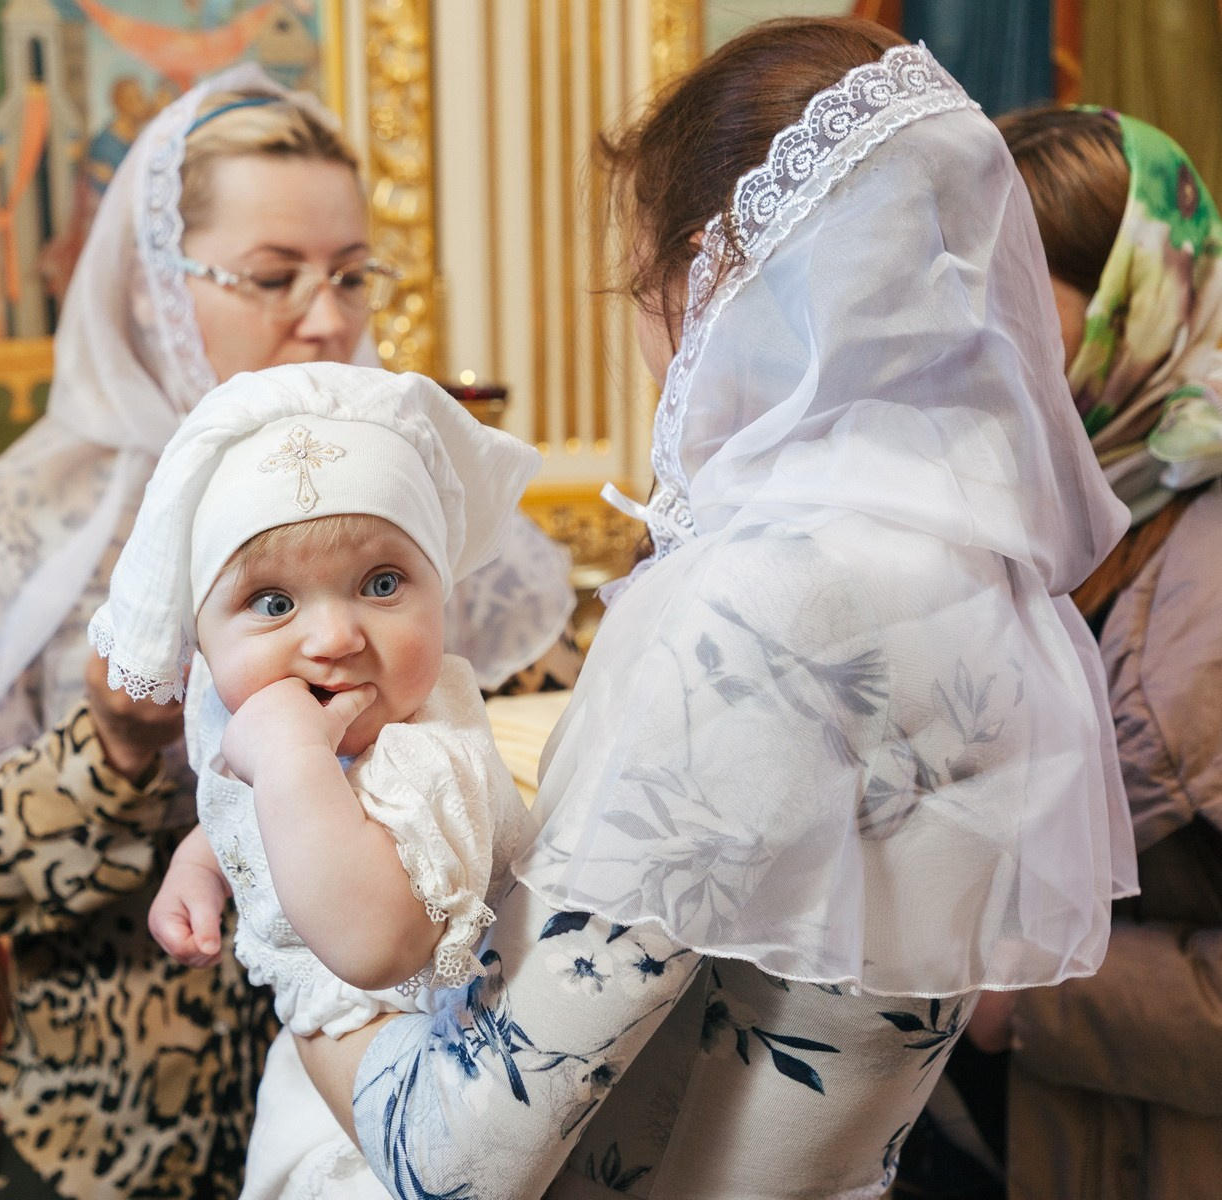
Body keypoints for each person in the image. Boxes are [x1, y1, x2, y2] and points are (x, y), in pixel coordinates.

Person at [291, 21, 1138, 1197]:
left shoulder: (757, 603)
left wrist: (278, 904)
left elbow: (462, 1165)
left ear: (709, 269)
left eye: (641, 278)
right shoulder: (988, 579)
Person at [0, 67, 578, 1199]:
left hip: (389, 1108)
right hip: (124, 1129)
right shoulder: (29, 517)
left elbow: (550, 760)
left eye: (352, 274)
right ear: (159, 284)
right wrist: (109, 747)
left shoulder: (402, 507)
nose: (328, 317)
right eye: (273, 276)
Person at [98, 363, 534, 1198]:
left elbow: (375, 943)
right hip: (315, 1086)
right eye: (271, 603)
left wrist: (291, 757)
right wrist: (198, 869)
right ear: (202, 647)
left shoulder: (429, 753)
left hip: (431, 1085)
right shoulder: (285, 745)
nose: (333, 635)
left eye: (381, 584)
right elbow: (244, 816)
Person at [953, 106, 1222, 1200]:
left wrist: (1026, 998)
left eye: (1010, 290)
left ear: (1133, 294)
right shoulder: (1041, 509)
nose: (974, 334)